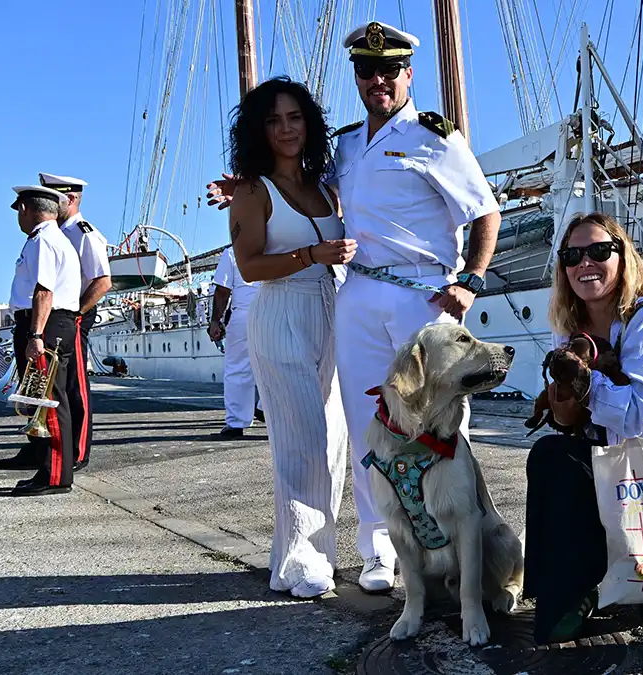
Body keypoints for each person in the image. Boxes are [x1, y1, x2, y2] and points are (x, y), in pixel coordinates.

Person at [206, 21, 502, 593]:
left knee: (439, 425)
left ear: (408, 73)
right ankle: (379, 550)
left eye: (389, 69)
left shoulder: (436, 137)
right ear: (357, 78)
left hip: (424, 293)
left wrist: (472, 278)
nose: (378, 80)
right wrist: (243, 180)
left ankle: (449, 548)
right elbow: (290, 185)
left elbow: (485, 212)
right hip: (358, 294)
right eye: (367, 71)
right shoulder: (344, 146)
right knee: (371, 426)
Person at [523, 212, 643, 644]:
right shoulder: (570, 329)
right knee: (550, 453)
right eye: (572, 255)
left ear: (622, 257)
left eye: (598, 251)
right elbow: (570, 419)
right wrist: (561, 395)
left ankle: (591, 588)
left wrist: (586, 382)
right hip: (613, 471)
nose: (584, 263)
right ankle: (563, 591)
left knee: (560, 463)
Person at [227, 76, 355, 599]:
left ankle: (307, 554)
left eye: (295, 117)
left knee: (334, 438)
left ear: (309, 124)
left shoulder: (324, 188)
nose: (286, 128)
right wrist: (310, 255)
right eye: (274, 120)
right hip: (281, 313)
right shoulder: (253, 191)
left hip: (330, 312)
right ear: (259, 130)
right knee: (300, 439)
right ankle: (300, 561)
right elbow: (249, 265)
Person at [0, 185, 82, 496]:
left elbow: (44, 291)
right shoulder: (47, 238)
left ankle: (56, 475)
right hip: (48, 323)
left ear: (25, 209)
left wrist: (35, 335)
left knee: (48, 400)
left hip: (45, 324)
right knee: (39, 399)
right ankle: (47, 468)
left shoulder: (44, 240)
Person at [39, 173, 111, 472]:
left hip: (74, 316)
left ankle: (78, 452)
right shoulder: (57, 233)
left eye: (54, 199)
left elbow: (102, 281)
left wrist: (78, 314)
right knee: (51, 385)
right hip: (59, 316)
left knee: (74, 386)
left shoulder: (84, 233)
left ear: (70, 199)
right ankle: (46, 449)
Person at [208, 245, 264, 438]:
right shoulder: (280, 243)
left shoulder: (233, 252)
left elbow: (223, 290)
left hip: (245, 314)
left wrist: (216, 319)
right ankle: (265, 408)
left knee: (238, 369)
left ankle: (236, 422)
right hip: (276, 309)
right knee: (278, 365)